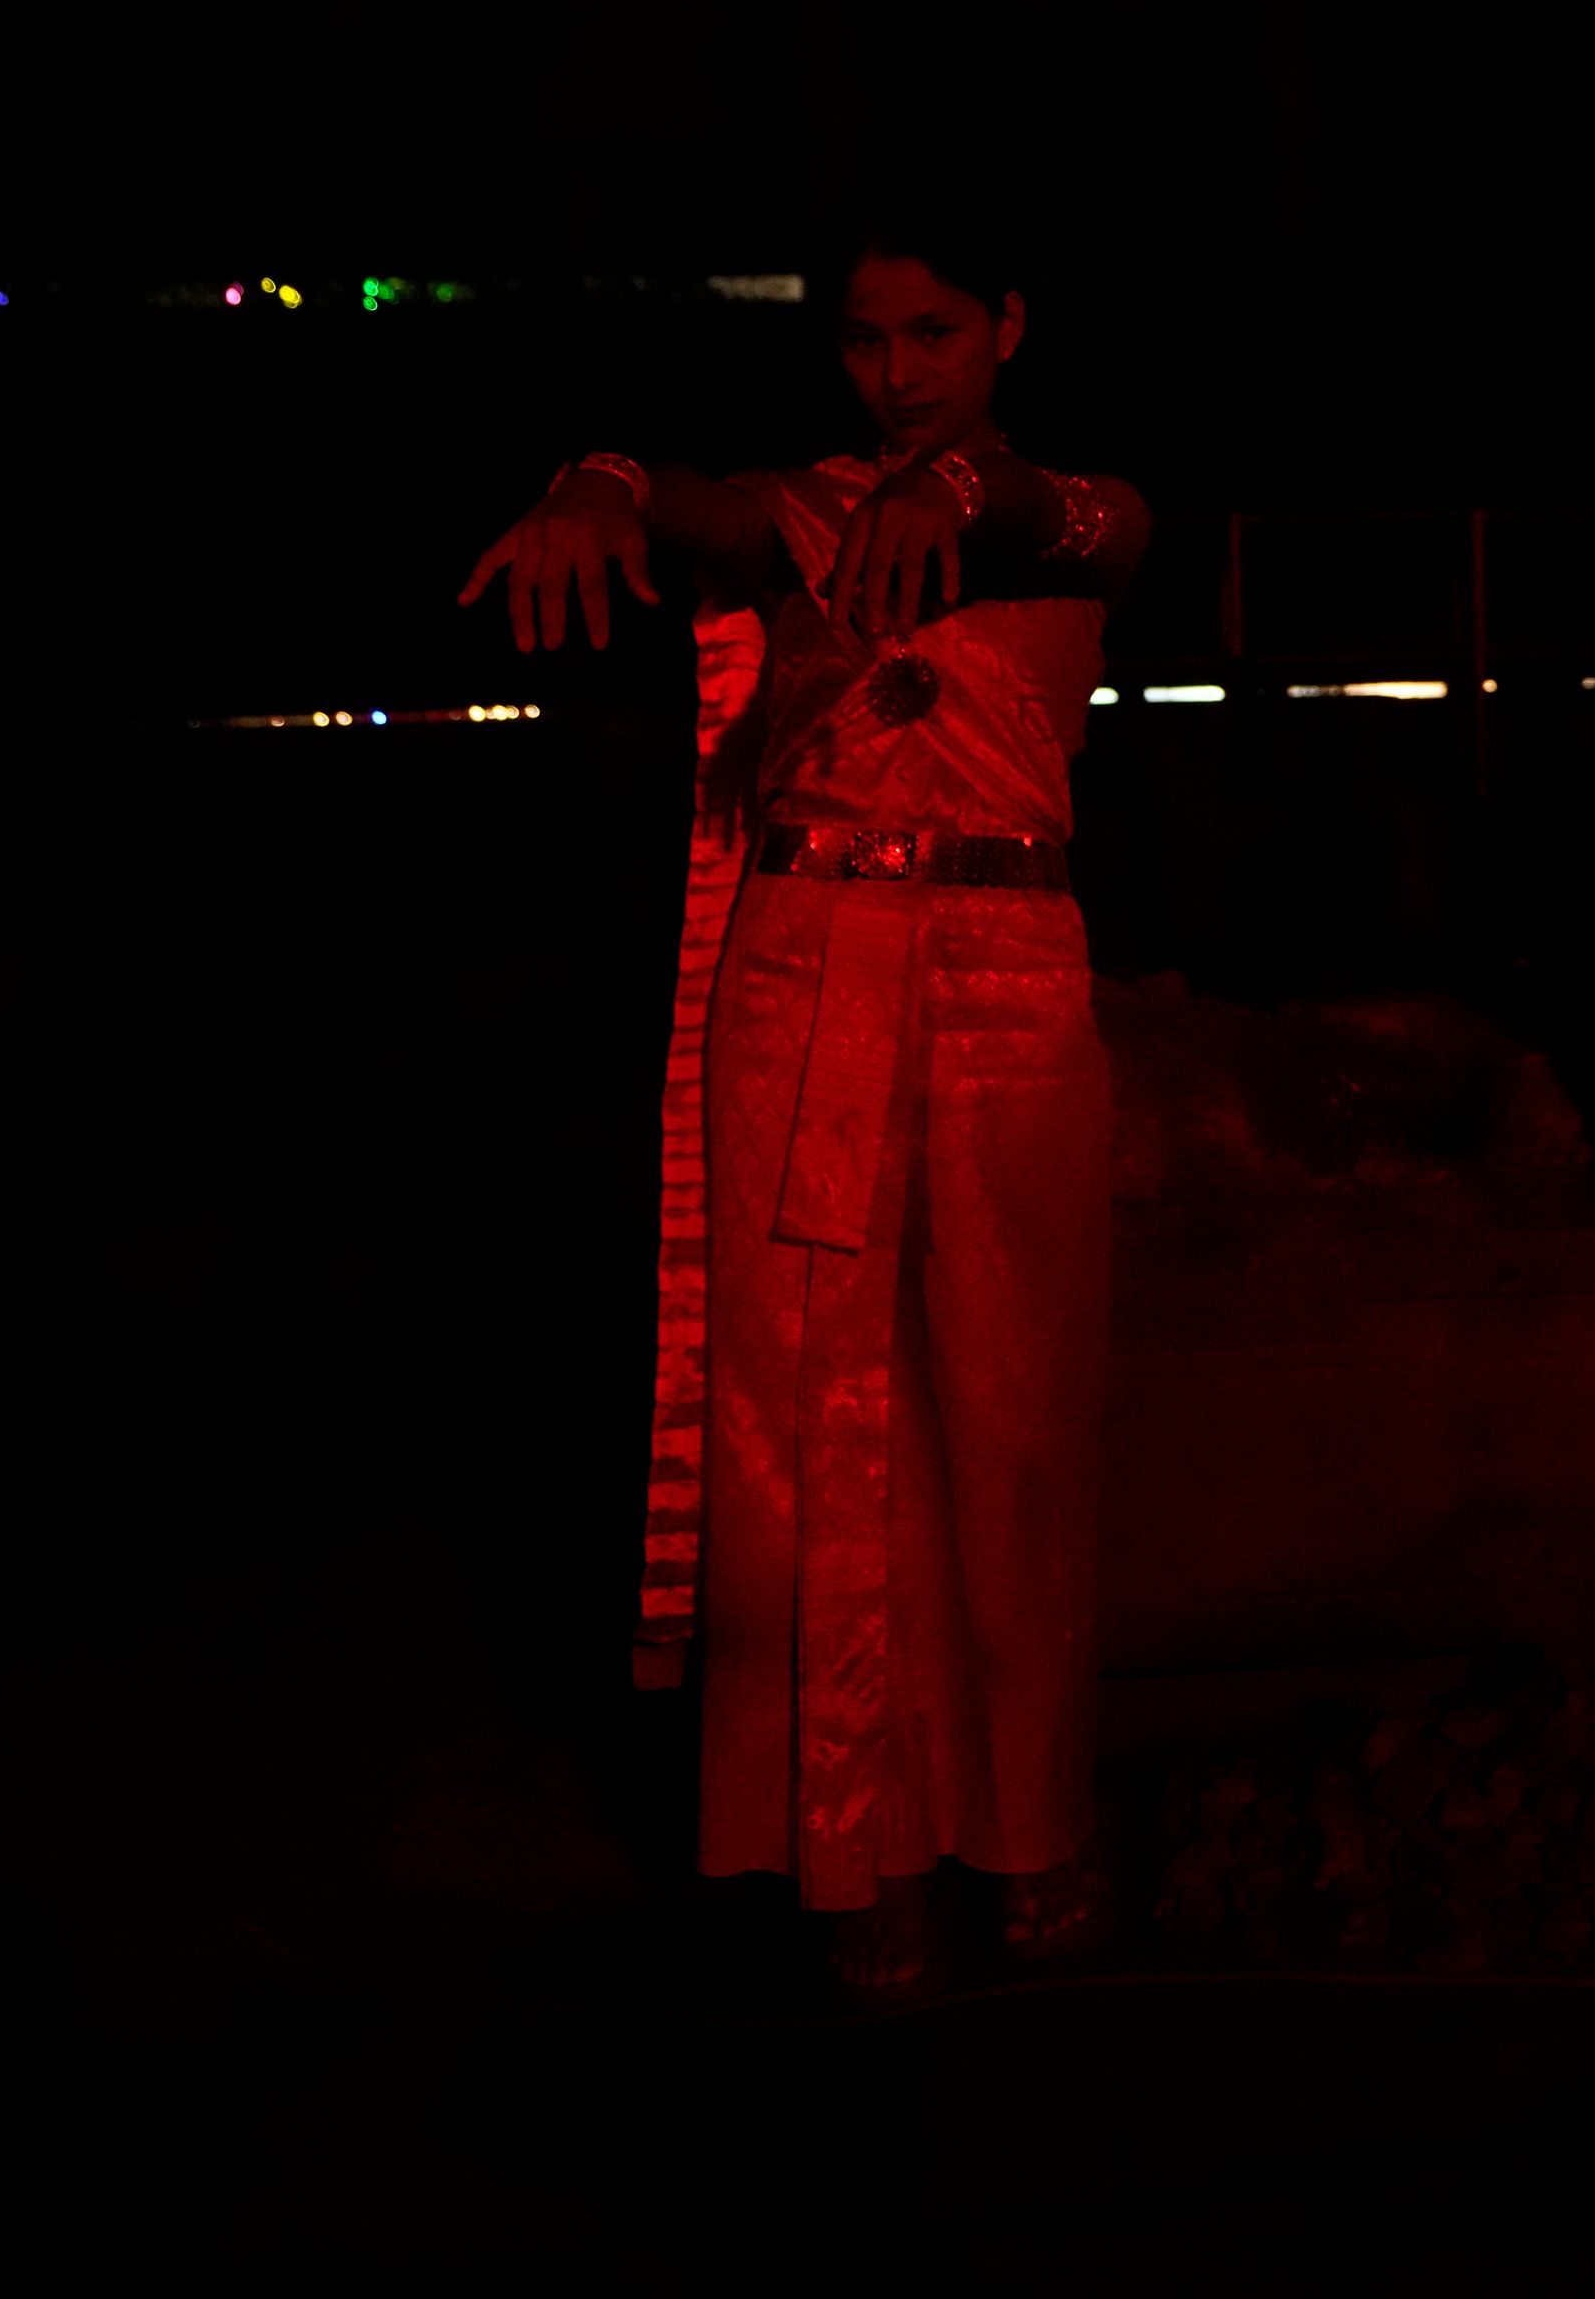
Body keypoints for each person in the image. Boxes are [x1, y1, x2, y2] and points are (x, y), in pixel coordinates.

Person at [460, 211, 1148, 1998]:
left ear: (1011, 320)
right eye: (865, 339)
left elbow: (1049, 524)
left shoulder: (1088, 505)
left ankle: (1028, 1825)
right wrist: (601, 481)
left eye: (934, 331)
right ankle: (868, 1848)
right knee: (816, 1417)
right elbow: (701, 508)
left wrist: (968, 495)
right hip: (806, 951)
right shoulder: (808, 508)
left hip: (1007, 973)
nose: (900, 370)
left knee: (1012, 1418)